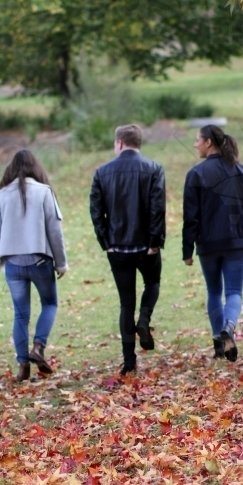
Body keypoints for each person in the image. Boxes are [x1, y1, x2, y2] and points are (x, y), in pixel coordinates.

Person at [90, 124, 166, 375]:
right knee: (153, 283)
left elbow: (96, 212)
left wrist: (106, 243)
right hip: (146, 246)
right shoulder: (154, 169)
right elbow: (157, 209)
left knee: (125, 303)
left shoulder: (102, 172)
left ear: (120, 143)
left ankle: (129, 361)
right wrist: (155, 242)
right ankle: (144, 321)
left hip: (118, 247)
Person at [0, 149, 68, 381]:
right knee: (50, 303)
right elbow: (55, 231)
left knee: (20, 315)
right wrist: (61, 263)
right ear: (36, 167)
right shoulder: (44, 192)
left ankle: (23, 366)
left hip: (13, 264)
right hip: (40, 261)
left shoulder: (2, 195)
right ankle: (38, 348)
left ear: (11, 169)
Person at [182, 124, 243, 362]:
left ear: (208, 143)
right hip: (237, 241)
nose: (195, 144)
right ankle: (229, 326)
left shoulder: (196, 174)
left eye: (197, 140)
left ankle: (219, 342)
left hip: (209, 243)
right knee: (234, 291)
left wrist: (187, 249)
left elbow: (190, 217)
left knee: (214, 291)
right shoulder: (241, 170)